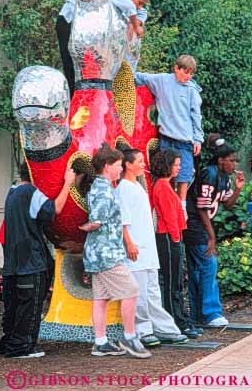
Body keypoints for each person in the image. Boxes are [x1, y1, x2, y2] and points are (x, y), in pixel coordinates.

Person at [79, 144, 151, 358]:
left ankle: (100, 342)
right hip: (107, 253)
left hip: (96, 253)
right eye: (118, 165)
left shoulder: (100, 186)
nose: (121, 169)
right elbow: (98, 219)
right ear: (107, 166)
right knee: (131, 290)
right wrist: (89, 226)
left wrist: (91, 226)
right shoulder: (103, 189)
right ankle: (129, 337)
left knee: (100, 298)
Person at [0, 161, 76, 358]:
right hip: (30, 262)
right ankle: (22, 348)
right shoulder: (31, 192)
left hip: (13, 263)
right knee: (30, 307)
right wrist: (68, 183)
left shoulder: (12, 191)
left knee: (13, 306)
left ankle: (10, 344)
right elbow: (54, 209)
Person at [115, 148, 188, 347]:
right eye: (139, 161)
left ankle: (164, 328)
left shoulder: (137, 186)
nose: (143, 164)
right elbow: (122, 220)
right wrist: (129, 243)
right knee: (139, 292)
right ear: (127, 165)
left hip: (148, 248)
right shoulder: (122, 189)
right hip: (135, 248)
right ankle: (143, 331)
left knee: (153, 291)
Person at [184, 134, 246, 327]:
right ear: (220, 160)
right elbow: (201, 207)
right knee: (208, 266)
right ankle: (211, 314)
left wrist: (237, 189)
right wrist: (212, 237)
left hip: (201, 227)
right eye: (231, 160)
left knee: (198, 270)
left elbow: (226, 205)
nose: (234, 164)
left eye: (236, 160)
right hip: (195, 226)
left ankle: (198, 315)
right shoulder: (209, 174)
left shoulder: (225, 178)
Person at [135, 55, 204, 218]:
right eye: (185, 72)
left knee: (184, 173)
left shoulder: (191, 90)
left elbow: (196, 115)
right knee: (167, 171)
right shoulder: (161, 81)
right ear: (176, 69)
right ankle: (169, 201)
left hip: (185, 139)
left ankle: (182, 205)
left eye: (191, 74)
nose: (188, 76)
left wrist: (198, 139)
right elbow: (140, 76)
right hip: (166, 136)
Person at [56, 0, 152, 94]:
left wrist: (135, 22)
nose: (139, 7)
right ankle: (74, 98)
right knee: (73, 64)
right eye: (140, 3)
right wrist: (136, 26)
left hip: (86, 28)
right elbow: (130, 7)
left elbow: (142, 12)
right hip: (70, 20)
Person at [150, 149, 202, 338]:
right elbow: (169, 216)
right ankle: (176, 322)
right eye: (176, 164)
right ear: (167, 165)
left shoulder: (166, 185)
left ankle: (181, 319)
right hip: (168, 237)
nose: (179, 168)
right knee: (173, 281)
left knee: (177, 281)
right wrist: (176, 237)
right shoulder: (163, 187)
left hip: (173, 236)